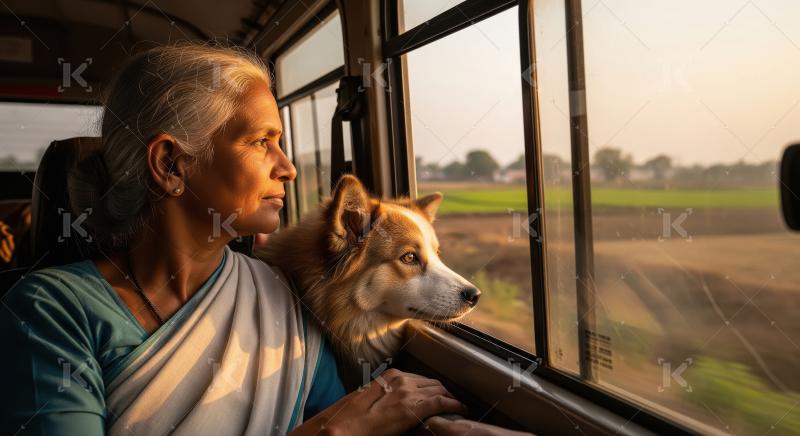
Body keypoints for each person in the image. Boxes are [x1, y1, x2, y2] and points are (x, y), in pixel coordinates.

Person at [0, 42, 528, 436]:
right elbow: (337, 426)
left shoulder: (275, 295)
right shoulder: (49, 312)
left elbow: (346, 417)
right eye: (262, 142)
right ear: (170, 163)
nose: (289, 168)